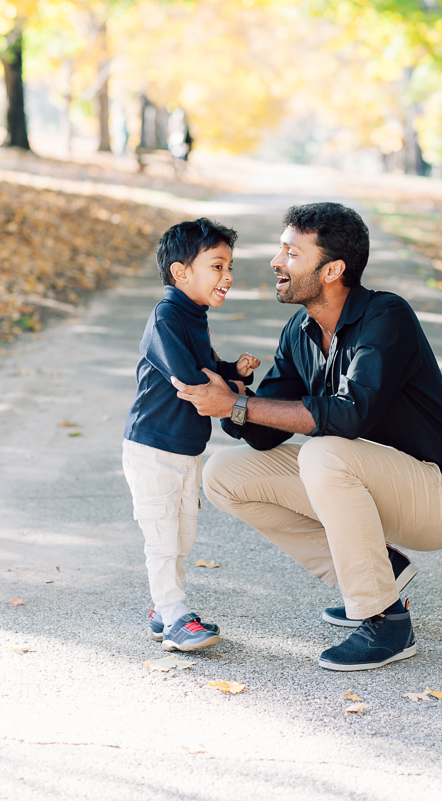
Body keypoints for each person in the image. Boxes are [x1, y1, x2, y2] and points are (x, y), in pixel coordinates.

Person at [171, 202, 442, 672]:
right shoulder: (300, 330)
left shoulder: (386, 317)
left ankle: (385, 620)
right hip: (368, 484)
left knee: (324, 452)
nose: (277, 263)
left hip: (441, 496)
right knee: (224, 475)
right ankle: (383, 573)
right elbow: (265, 434)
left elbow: (349, 416)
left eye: (291, 254)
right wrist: (230, 396)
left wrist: (240, 406)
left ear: (332, 269)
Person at [123, 218, 260, 651]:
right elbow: (187, 379)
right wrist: (232, 391)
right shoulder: (167, 315)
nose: (228, 277)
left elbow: (207, 365)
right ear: (181, 272)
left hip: (183, 448)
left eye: (230, 267)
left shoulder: (193, 315)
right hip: (153, 446)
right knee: (163, 535)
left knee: (181, 535)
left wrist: (231, 373)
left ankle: (164, 612)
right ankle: (177, 615)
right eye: (217, 266)